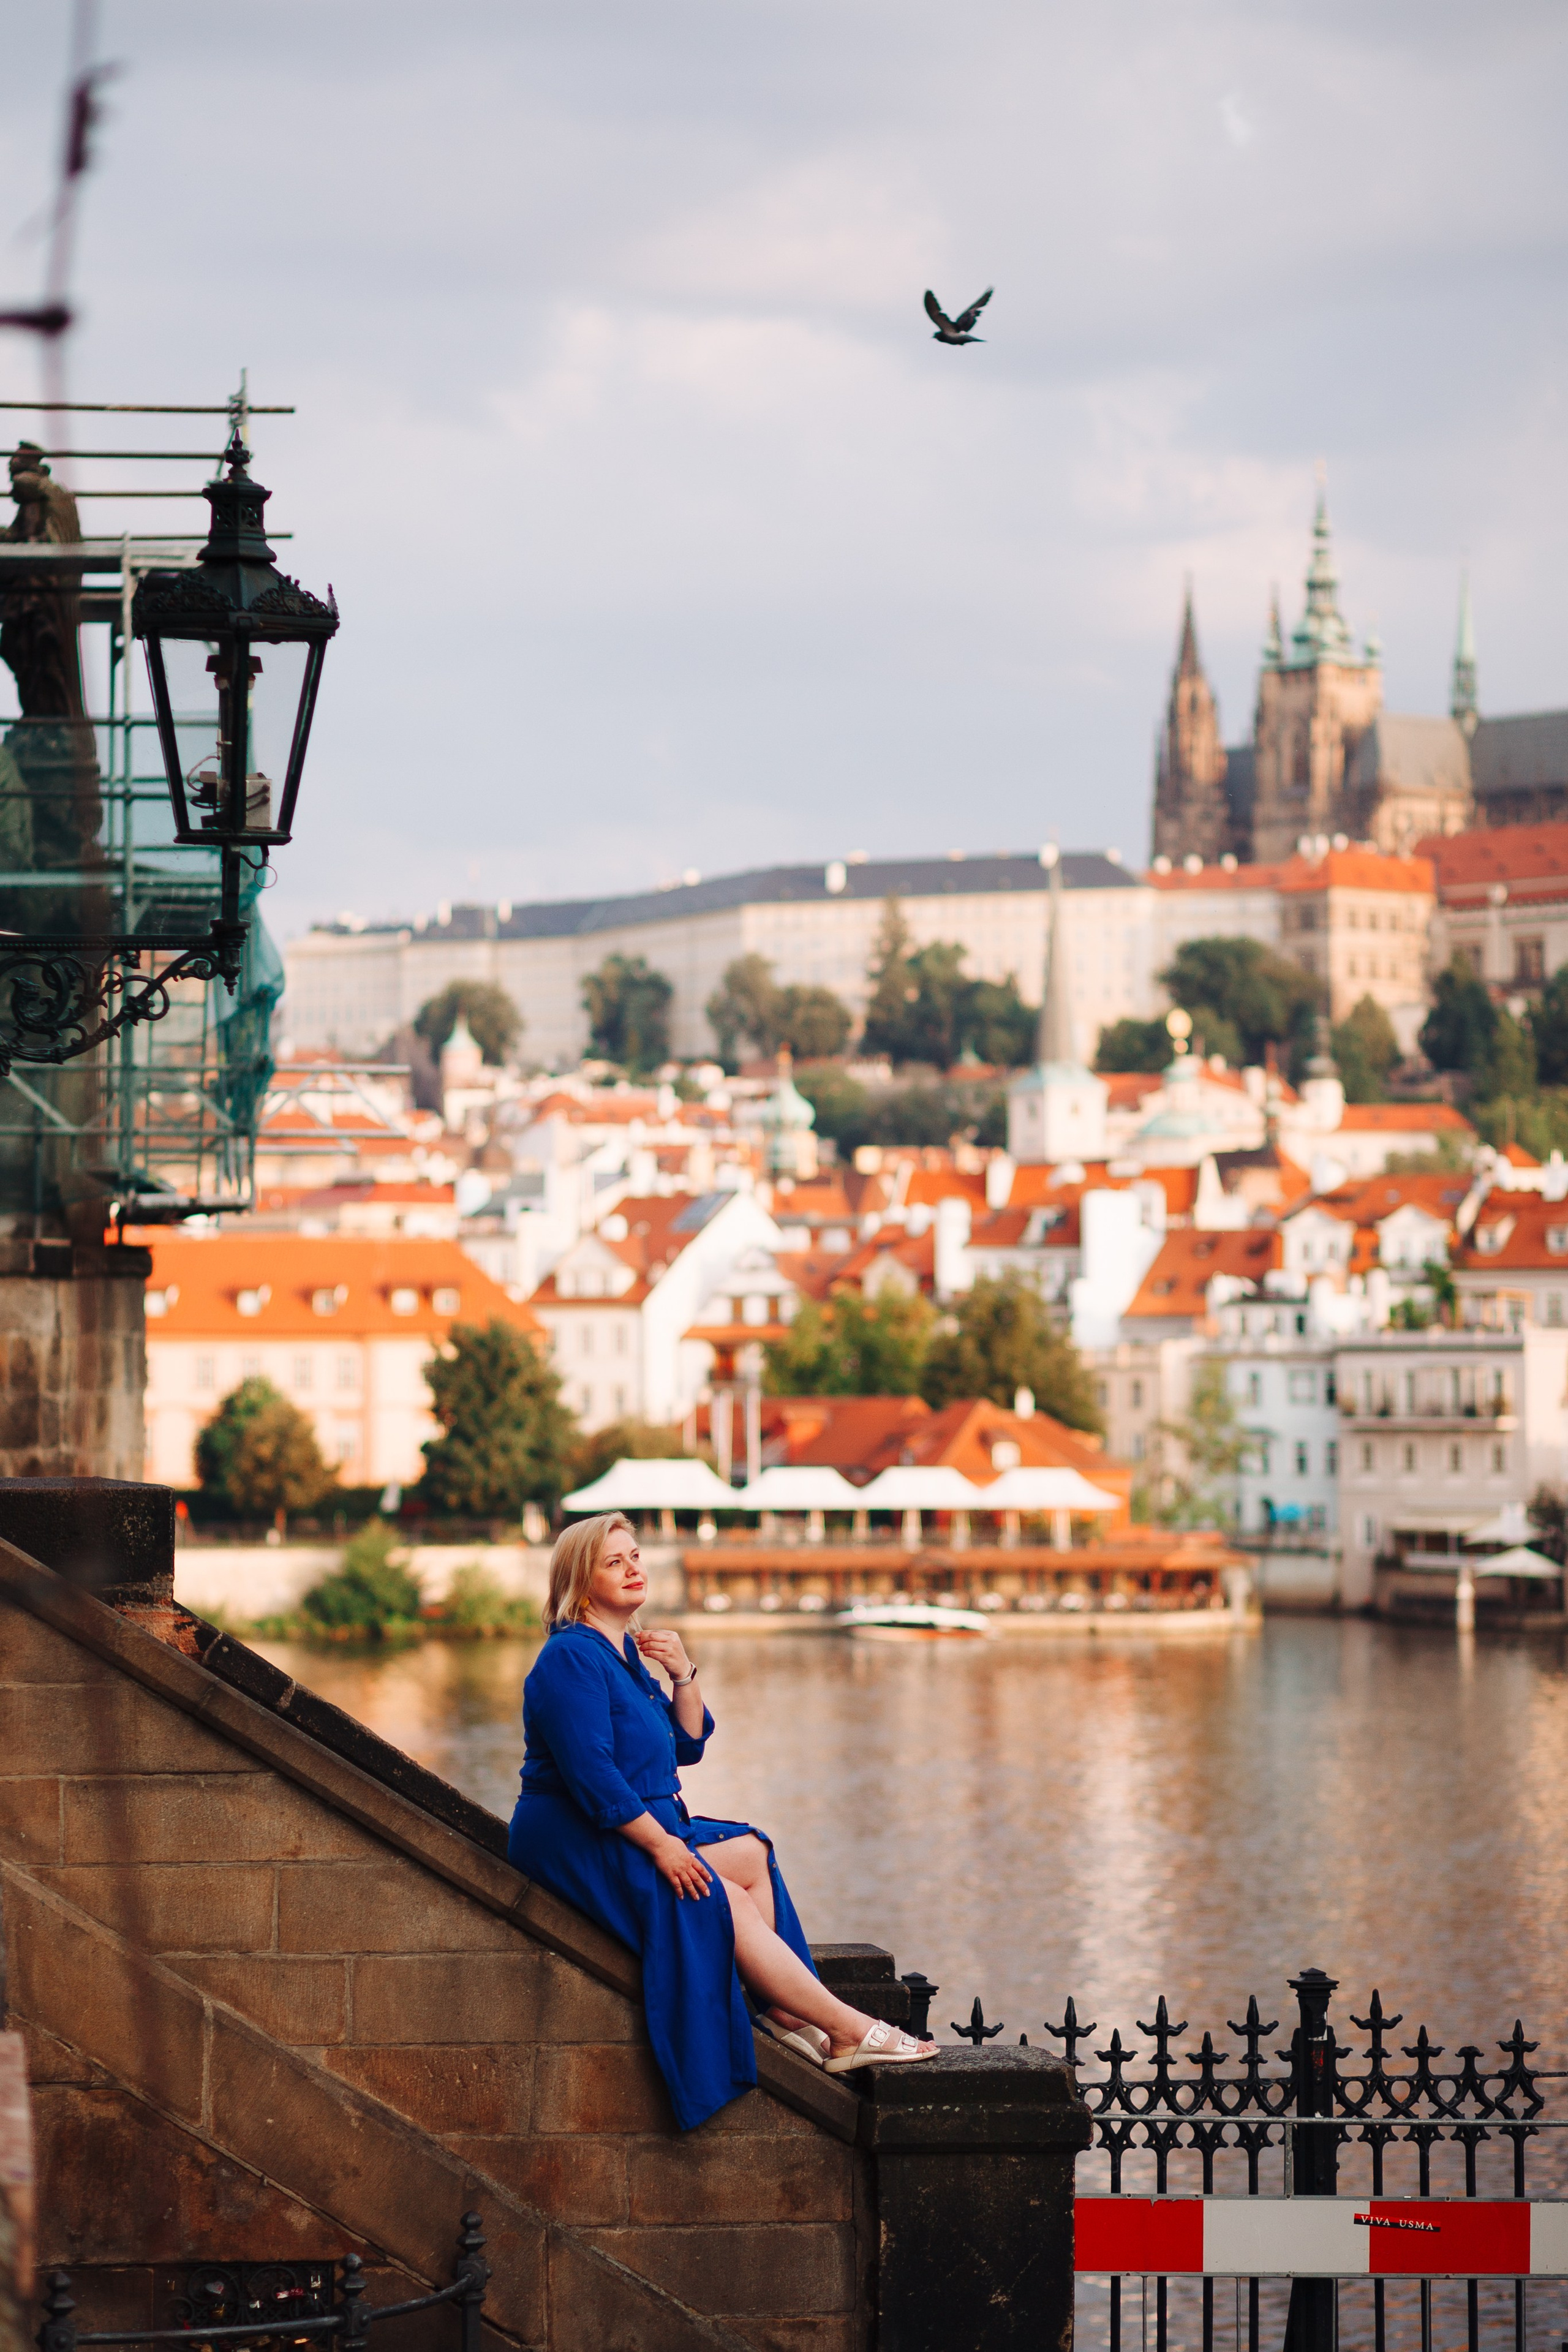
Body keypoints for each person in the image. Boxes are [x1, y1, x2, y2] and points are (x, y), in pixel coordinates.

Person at [507, 1510, 936, 2130]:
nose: (634, 1569)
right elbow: (591, 1775)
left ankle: (786, 2012)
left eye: (635, 1556)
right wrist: (663, 1848)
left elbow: (683, 1746)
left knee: (750, 1852)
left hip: (629, 1822)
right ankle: (846, 2028)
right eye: (614, 1561)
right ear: (580, 1578)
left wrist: (682, 1674)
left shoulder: (623, 1653)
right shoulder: (571, 1658)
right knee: (719, 1896)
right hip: (576, 1835)